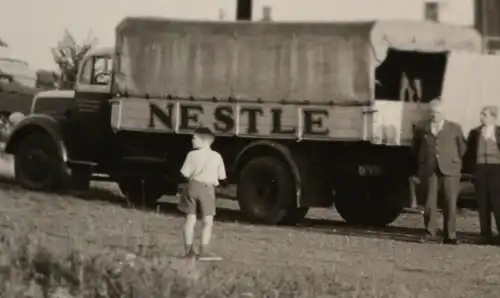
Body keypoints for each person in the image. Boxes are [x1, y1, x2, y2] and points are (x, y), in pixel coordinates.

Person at [413, 98, 467, 244]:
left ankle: (450, 235)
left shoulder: (454, 128)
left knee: (450, 201)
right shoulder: (422, 128)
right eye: (431, 112)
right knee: (429, 202)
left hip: (450, 169)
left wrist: (452, 160)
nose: (434, 115)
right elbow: (416, 147)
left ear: (443, 113)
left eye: (437, 112)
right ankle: (430, 232)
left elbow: (462, 148)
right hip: (429, 169)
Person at [177, 127, 227, 260]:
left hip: (192, 186)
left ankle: (188, 251)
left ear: (204, 141)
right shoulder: (217, 156)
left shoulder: (191, 155)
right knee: (207, 221)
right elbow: (221, 176)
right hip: (207, 189)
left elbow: (185, 173)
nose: (192, 140)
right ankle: (203, 251)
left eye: (195, 138)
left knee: (190, 219)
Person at [464, 106, 500, 245]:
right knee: (482, 203)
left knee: (497, 203)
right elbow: (469, 152)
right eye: (481, 114)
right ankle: (485, 234)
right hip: (480, 169)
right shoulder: (475, 133)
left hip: (496, 169)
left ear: (493, 117)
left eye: (485, 115)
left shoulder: (498, 131)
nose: (482, 117)